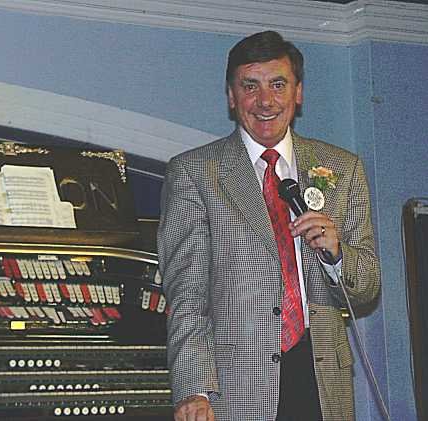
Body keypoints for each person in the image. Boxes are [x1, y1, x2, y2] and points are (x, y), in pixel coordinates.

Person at [157, 30, 380, 421]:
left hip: (324, 380)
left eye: (278, 85)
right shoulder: (194, 172)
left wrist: (337, 255)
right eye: (250, 86)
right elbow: (187, 295)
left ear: (298, 93)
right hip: (235, 386)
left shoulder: (343, 169)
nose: (265, 101)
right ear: (231, 96)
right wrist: (193, 389)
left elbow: (367, 290)